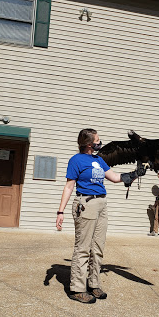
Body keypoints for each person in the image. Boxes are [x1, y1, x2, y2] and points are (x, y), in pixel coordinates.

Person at [56, 128, 143, 304]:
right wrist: (60, 212)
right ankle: (77, 289)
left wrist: (134, 174)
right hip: (86, 204)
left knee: (97, 248)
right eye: (97, 140)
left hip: (101, 204)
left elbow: (115, 177)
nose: (100, 142)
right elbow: (69, 186)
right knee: (83, 248)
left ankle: (93, 284)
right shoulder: (76, 160)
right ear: (89, 144)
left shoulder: (98, 160)